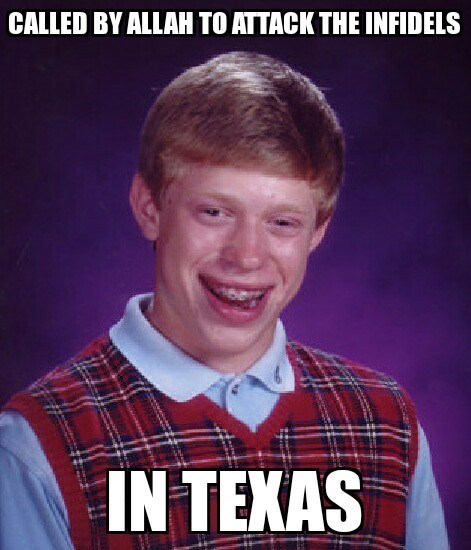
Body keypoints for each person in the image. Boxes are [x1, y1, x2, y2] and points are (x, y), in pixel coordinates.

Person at [0, 52, 448, 549]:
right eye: (215, 212)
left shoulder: (386, 426)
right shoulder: (40, 445)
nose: (247, 256)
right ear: (149, 208)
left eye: (282, 222)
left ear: (318, 231)